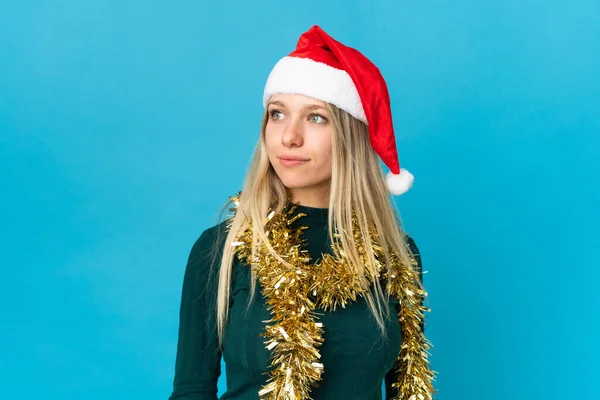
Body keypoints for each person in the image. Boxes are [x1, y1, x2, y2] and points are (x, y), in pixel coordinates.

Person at [168, 25, 435, 400]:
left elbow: (406, 389)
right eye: (277, 114)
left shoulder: (395, 254)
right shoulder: (221, 250)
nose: (289, 136)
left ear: (351, 134)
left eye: (315, 118)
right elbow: (192, 390)